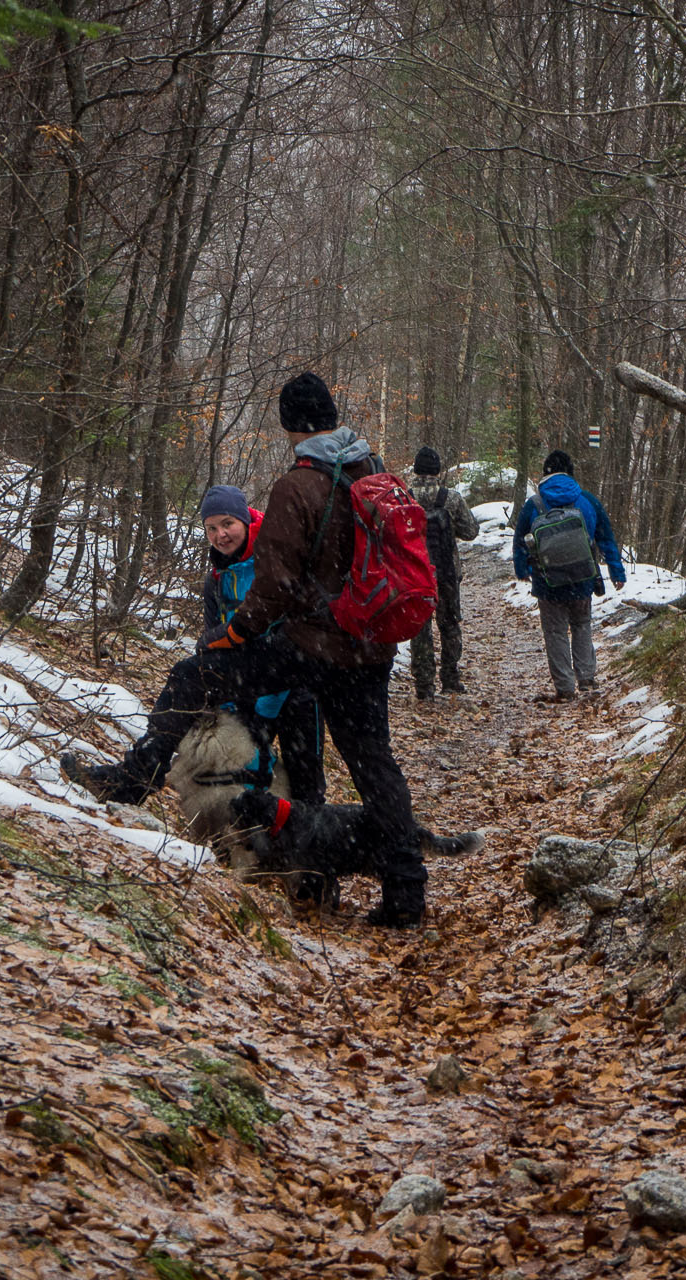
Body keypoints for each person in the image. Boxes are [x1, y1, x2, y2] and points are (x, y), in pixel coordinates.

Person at [64, 372, 426, 927]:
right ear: (334, 417)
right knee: (374, 764)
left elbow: (275, 584)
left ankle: (136, 779)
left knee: (193, 674)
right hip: (369, 649)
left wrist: (233, 634)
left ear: (289, 426)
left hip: (310, 647)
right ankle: (405, 894)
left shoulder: (297, 487)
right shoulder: (370, 471)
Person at [192, 483, 325, 805]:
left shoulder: (277, 558)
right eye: (211, 528)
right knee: (249, 775)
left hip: (298, 686)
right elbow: (214, 637)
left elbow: (304, 624)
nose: (220, 535)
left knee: (304, 779)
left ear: (245, 522)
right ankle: (256, 843)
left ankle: (308, 846)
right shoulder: (216, 578)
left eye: (227, 524)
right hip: (246, 686)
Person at [511, 449, 626, 702]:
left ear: (545, 474)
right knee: (582, 625)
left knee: (555, 633)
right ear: (571, 472)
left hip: (548, 582)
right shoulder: (587, 500)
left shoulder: (535, 504)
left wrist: (523, 570)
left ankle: (564, 688)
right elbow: (606, 537)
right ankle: (586, 678)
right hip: (582, 578)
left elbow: (519, 540)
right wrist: (617, 571)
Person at [406, 447, 480, 700]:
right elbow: (471, 532)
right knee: (449, 624)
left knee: (420, 628)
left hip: (416, 574)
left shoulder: (404, 498)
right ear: (437, 471)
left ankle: (424, 685)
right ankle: (450, 678)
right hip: (447, 570)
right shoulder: (452, 498)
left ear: (416, 469)